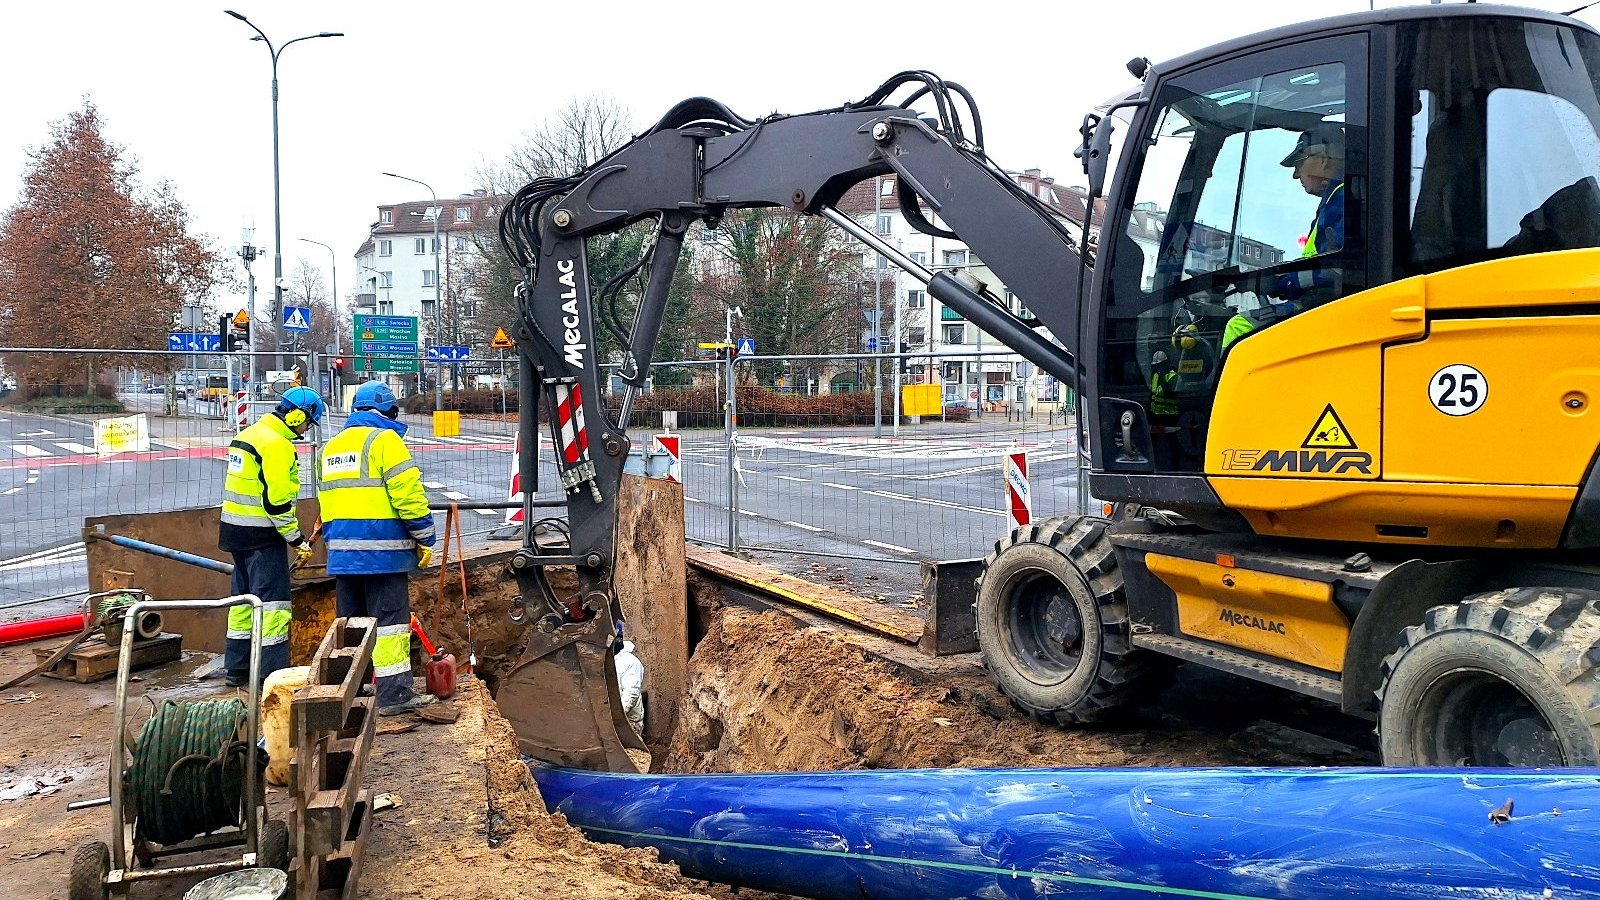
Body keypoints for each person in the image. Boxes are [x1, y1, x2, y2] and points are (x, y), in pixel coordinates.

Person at [317, 380, 438, 716]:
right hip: (383, 552)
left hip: (343, 553)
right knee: (390, 624)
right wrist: (425, 537)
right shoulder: (385, 441)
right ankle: (394, 695)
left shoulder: (331, 446)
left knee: (351, 624)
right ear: (389, 411)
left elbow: (325, 502)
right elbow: (409, 499)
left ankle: (351, 693)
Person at [219, 386, 325, 687]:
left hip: (234, 532)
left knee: (242, 603)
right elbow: (276, 503)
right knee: (274, 607)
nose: (306, 430)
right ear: (295, 416)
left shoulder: (249, 435)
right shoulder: (276, 445)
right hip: (262, 536)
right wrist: (296, 540)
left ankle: (237, 670)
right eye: (307, 422)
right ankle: (273, 677)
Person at [1222, 124, 1348, 350]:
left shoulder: (1342, 201)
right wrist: (1273, 280)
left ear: (1324, 159)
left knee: (1239, 327)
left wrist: (1286, 282)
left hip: (1323, 307)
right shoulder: (1335, 200)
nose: (1295, 174)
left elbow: (1340, 269)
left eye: (1300, 162)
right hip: (1322, 305)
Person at [612, 624, 645, 735]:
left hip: (628, 723)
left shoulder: (630, 662)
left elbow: (631, 693)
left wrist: (616, 716)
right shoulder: (606, 659)